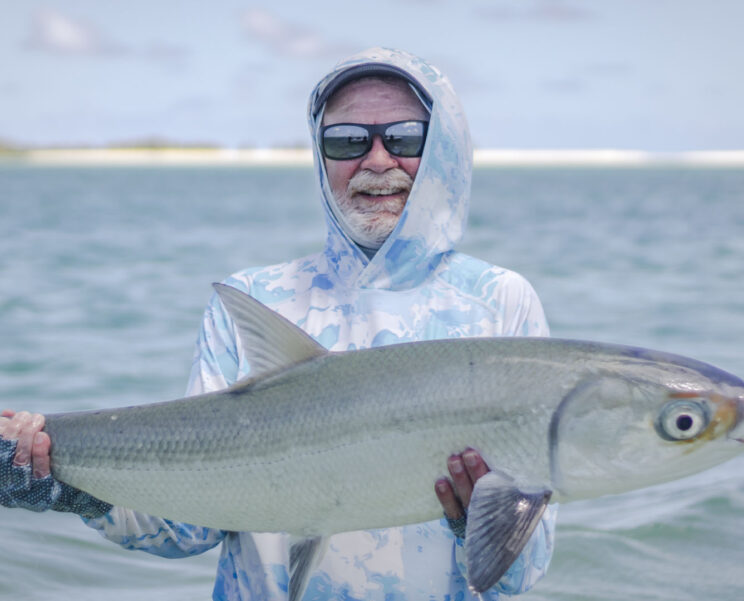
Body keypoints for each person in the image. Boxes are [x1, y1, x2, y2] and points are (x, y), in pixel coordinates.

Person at [0, 48, 556, 600]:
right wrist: (67, 488)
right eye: (347, 141)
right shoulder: (254, 301)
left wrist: (479, 525)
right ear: (320, 155)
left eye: (406, 138)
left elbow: (523, 574)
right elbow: (187, 527)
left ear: (444, 151)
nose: (377, 160)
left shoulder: (499, 304)